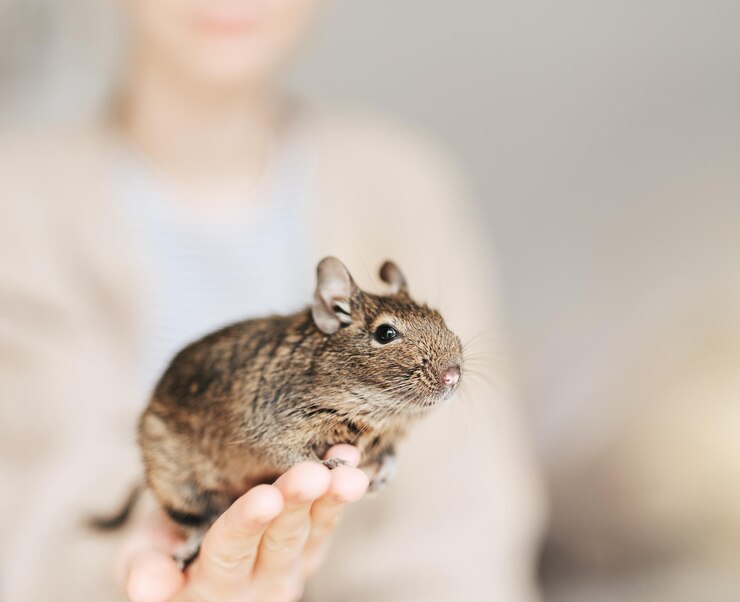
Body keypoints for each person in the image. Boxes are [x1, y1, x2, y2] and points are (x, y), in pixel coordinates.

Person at [0, 1, 544, 600]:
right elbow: (26, 491)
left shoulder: (404, 181)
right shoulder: (17, 199)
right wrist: (133, 554)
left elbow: (466, 515)